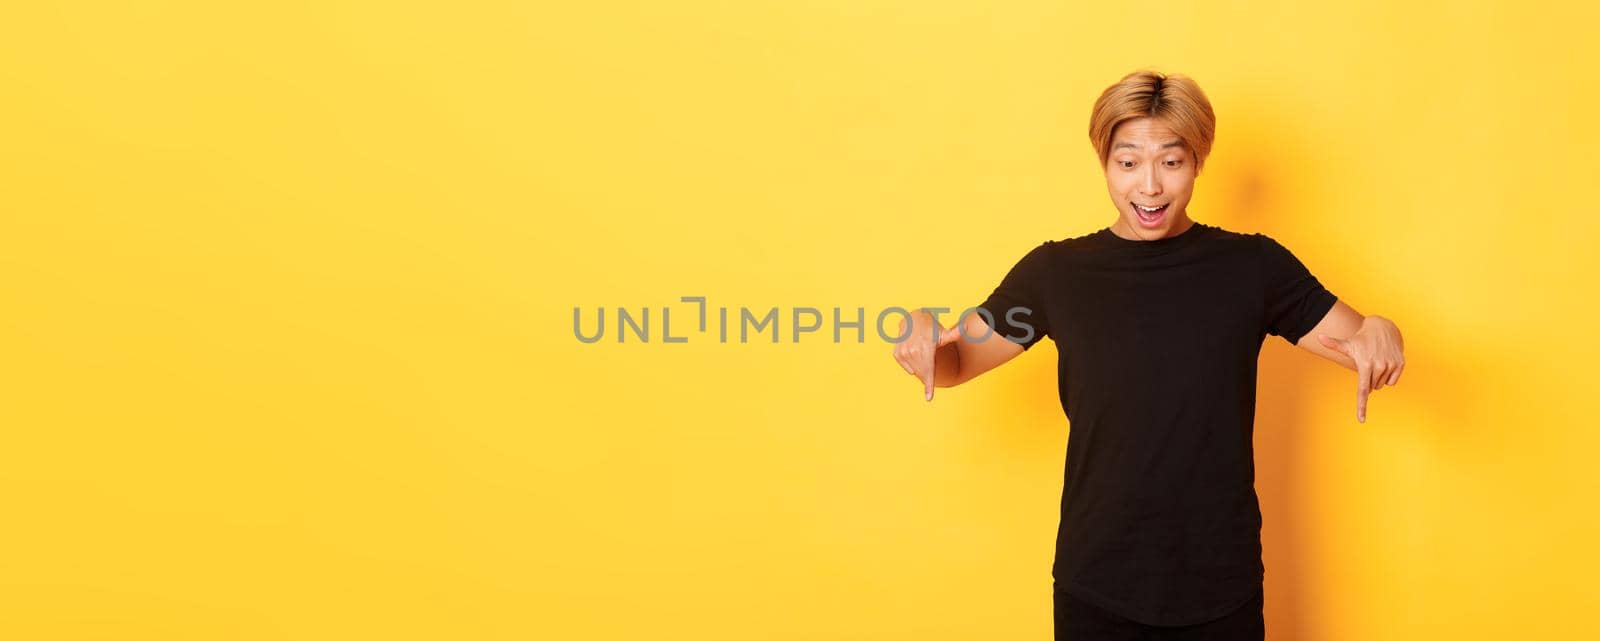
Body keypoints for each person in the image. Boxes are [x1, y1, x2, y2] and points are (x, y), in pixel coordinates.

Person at [890, 70, 1406, 641]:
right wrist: (919, 328)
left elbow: (1362, 341)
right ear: (1105, 164)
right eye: (1128, 162)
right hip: (1098, 582)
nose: (1150, 187)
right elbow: (956, 359)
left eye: (1171, 161)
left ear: (1197, 162)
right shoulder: (1056, 274)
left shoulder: (1252, 268)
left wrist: (1383, 330)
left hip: (1221, 582)